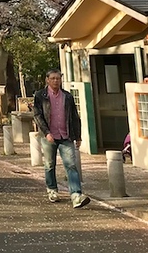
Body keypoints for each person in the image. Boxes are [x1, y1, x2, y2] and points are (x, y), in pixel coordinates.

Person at [33, 69, 91, 208]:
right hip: (49, 135)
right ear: (47, 80)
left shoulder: (67, 96)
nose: (55, 81)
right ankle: (52, 189)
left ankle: (76, 195)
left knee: (71, 165)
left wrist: (77, 136)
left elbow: (74, 117)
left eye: (58, 78)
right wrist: (46, 132)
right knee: (49, 164)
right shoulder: (41, 96)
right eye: (52, 78)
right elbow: (38, 115)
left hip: (65, 135)